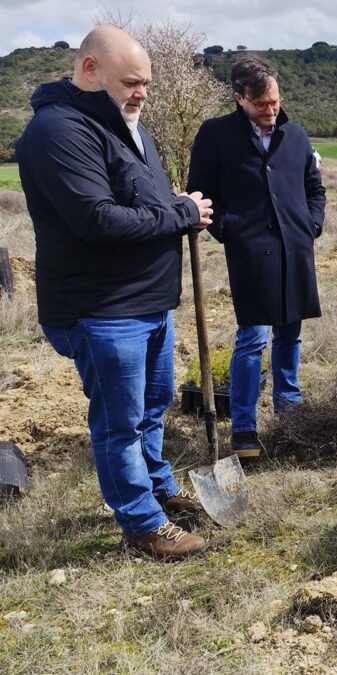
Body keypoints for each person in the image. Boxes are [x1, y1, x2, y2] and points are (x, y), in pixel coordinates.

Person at [15, 26, 214, 560]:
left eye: (146, 83)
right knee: (119, 423)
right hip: (102, 310)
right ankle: (142, 523)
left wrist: (177, 207)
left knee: (153, 407)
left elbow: (145, 199)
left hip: (148, 303)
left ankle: (156, 486)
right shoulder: (59, 132)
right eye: (131, 81)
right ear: (89, 70)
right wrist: (181, 213)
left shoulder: (131, 128)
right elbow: (98, 220)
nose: (142, 92)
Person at [187, 55, 326, 460]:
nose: (271, 110)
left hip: (294, 250)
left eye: (275, 102)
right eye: (262, 104)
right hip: (250, 254)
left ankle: (290, 414)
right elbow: (201, 194)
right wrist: (229, 230)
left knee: (290, 334)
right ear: (239, 98)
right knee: (252, 338)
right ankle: (244, 429)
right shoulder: (215, 135)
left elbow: (315, 189)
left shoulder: (295, 135)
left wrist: (310, 225)